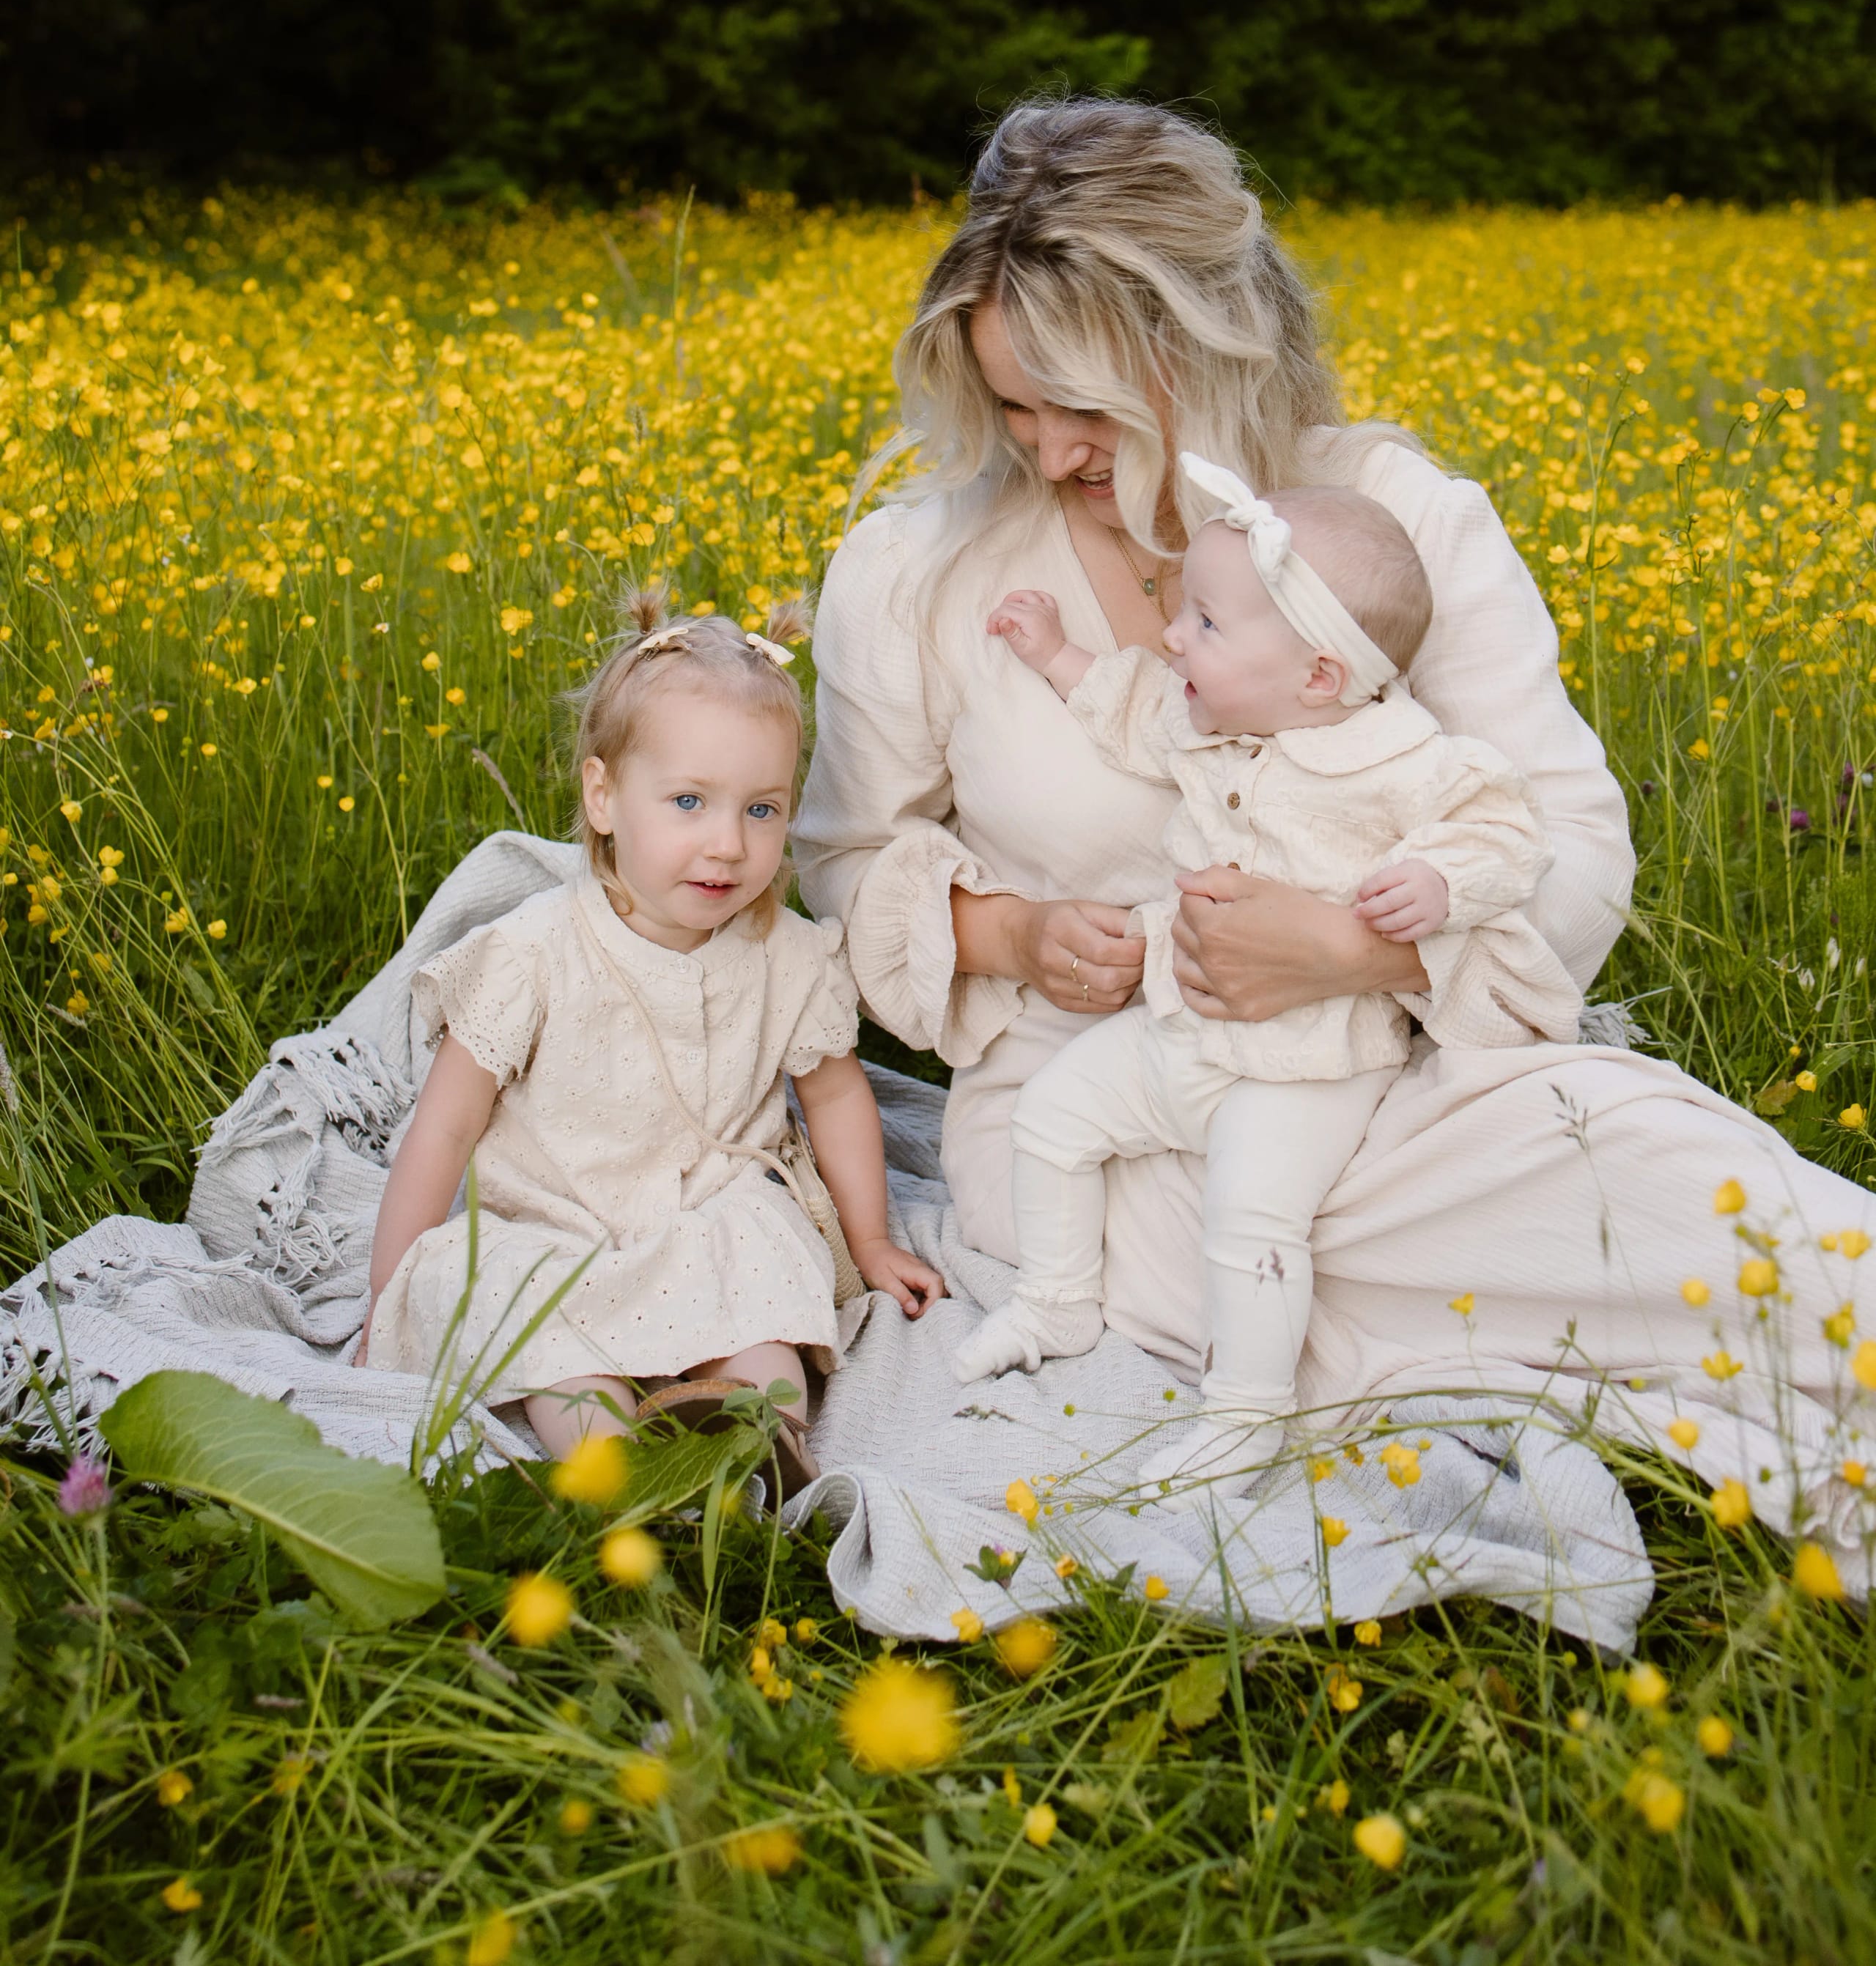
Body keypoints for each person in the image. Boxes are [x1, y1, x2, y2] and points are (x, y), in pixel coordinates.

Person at [793, 97, 1876, 1553]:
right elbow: (842, 875)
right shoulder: (914, 574)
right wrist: (1012, 934)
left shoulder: (1383, 515)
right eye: (1010, 408)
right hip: (1105, 1109)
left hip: (1401, 1070)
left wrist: (1348, 953)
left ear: (1205, 350)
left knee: (1689, 1201)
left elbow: (1564, 840)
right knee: (1271, 1245)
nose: (1047, 453)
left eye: (1086, 411)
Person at [956, 456, 1579, 1494]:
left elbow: (1504, 829)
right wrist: (1058, 652)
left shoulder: (1402, 758)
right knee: (1054, 1115)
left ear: (1321, 674)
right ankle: (1059, 1297)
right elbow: (1127, 704)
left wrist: (1439, 879)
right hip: (1187, 1032)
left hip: (1310, 1068)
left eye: (1205, 624)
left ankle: (1247, 1415)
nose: (1172, 638)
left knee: (1251, 1223)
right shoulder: (1209, 723)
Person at [362, 602, 944, 1471]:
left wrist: (868, 1241)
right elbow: (444, 1127)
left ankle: (750, 1442)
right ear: (603, 796)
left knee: (759, 1280)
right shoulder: (535, 953)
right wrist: (392, 1289)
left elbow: (834, 1097)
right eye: (687, 802)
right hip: (555, 1225)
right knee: (540, 1327)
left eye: (761, 809)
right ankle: (614, 1464)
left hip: (708, 1210)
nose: (727, 845)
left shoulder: (785, 956)